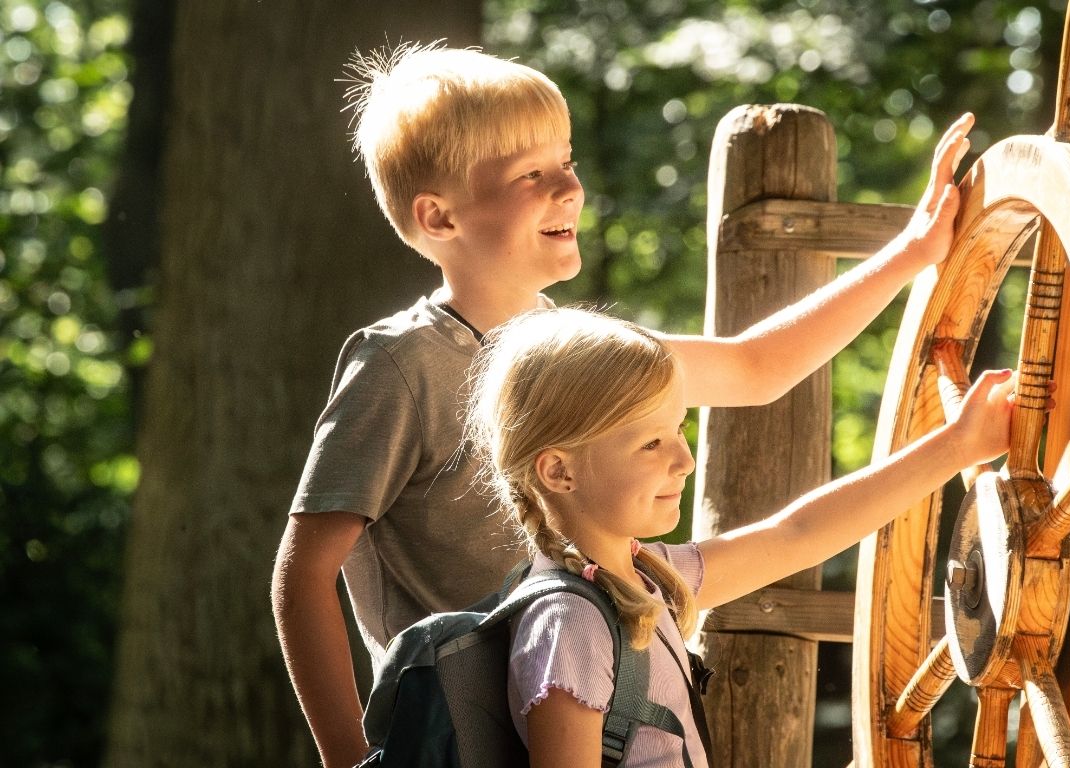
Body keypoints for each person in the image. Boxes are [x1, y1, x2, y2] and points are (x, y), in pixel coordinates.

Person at [270, 42, 975, 768]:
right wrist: (347, 759)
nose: (570, 187)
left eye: (567, 161)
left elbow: (754, 368)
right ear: (439, 217)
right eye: (532, 174)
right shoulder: (399, 365)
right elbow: (305, 572)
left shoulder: (576, 356)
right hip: (463, 741)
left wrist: (912, 253)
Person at [462, 307, 1014, 767]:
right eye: (651, 444)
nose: (684, 460)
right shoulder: (570, 621)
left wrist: (958, 446)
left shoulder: (642, 577)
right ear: (559, 471)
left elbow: (797, 534)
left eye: (679, 429)